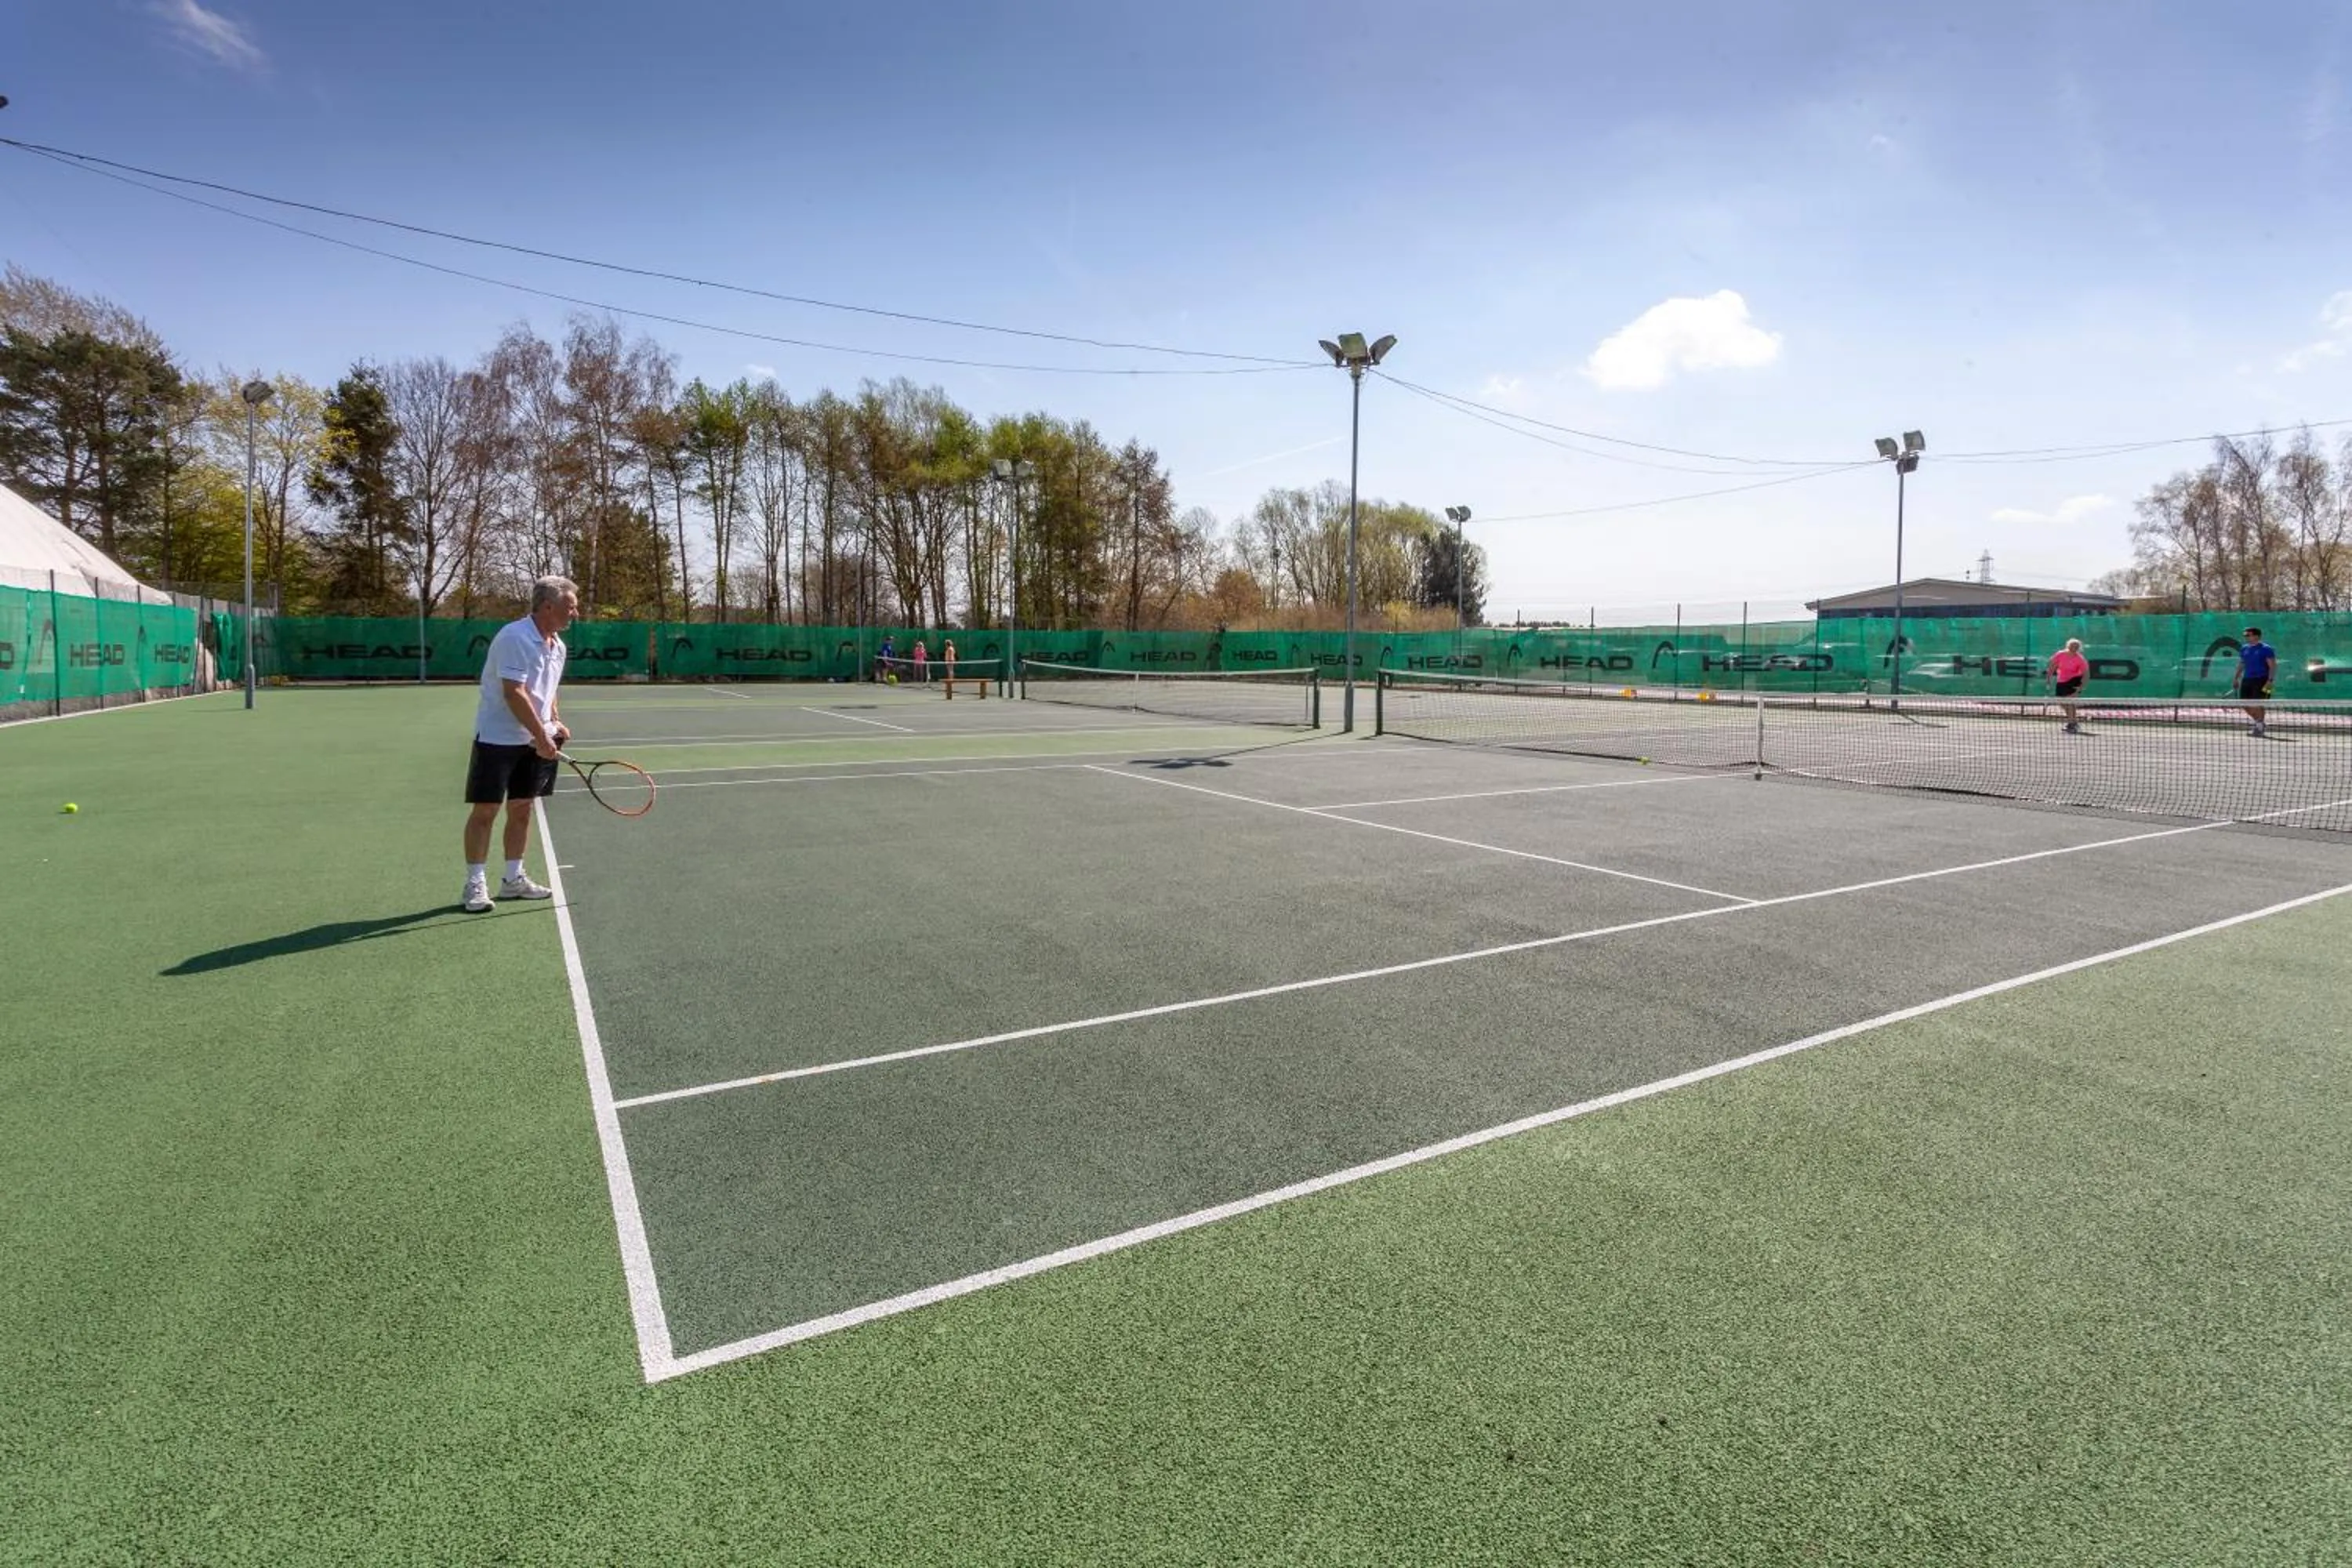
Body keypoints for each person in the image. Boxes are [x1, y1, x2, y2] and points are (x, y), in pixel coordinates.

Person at [461, 575, 577, 913]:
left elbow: (548, 688)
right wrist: (542, 737)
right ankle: (474, 884)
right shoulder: (515, 636)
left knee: (523, 809)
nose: (575, 613)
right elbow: (515, 691)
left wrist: (554, 722)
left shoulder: (558, 645)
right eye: (570, 607)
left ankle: (513, 880)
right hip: (498, 738)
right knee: (486, 811)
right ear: (547, 607)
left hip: (533, 741)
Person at [2236, 626, 2277, 737]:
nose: (2247, 637)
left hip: (2262, 680)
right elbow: (2242, 664)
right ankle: (2260, 722)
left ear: (2257, 636)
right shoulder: (2244, 649)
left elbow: (2272, 666)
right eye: (2246, 635)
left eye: (2249, 635)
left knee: (2258, 704)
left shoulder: (2266, 649)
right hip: (2247, 679)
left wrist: (2270, 680)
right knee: (2244, 704)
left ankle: (2259, 726)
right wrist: (2236, 678)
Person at [2047, 637, 2089, 734]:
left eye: (2076, 647)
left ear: (2079, 648)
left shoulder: (2080, 659)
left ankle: (2071, 724)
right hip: (2061, 681)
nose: (2074, 648)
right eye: (2072, 646)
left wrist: (2080, 688)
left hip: (2074, 680)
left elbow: (2086, 674)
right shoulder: (2060, 654)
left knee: (2070, 702)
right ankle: (2073, 721)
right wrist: (2048, 679)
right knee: (2061, 702)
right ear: (2068, 646)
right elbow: (2052, 666)